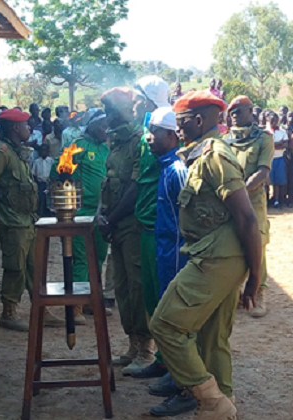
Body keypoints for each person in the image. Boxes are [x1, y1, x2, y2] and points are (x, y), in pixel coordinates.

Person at [149, 91, 261, 420]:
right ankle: (223, 405)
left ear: (198, 121)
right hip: (216, 254)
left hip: (217, 259)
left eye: (181, 122)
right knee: (212, 339)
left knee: (165, 325)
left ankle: (211, 400)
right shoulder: (200, 154)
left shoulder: (214, 155)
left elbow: (246, 217)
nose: (177, 129)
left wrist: (255, 276)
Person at [0, 109, 64, 332]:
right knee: (15, 267)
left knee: (34, 267)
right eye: (25, 125)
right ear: (15, 128)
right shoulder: (1, 153)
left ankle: (41, 309)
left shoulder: (18, 153)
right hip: (12, 222)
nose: (29, 128)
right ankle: (8, 312)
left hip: (27, 220)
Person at [142, 107, 195, 418]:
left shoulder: (177, 171)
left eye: (156, 132)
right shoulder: (165, 167)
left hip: (176, 255)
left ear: (173, 135)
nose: (150, 138)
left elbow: (188, 220)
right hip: (164, 253)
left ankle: (186, 387)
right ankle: (175, 375)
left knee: (178, 320)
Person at [96, 88, 153, 373]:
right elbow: (108, 184)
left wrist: (112, 217)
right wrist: (101, 214)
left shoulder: (139, 142)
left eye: (110, 111)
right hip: (116, 224)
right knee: (121, 288)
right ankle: (132, 344)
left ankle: (146, 349)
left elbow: (134, 188)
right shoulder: (116, 143)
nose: (107, 117)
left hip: (132, 226)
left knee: (137, 287)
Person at [129, 75, 171, 376]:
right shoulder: (146, 134)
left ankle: (171, 364)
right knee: (152, 298)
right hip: (145, 226)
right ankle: (160, 360)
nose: (132, 102)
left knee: (164, 299)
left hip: (161, 228)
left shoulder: (163, 134)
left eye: (137, 97)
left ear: (147, 100)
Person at [57, 108, 111, 320]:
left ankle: (91, 300)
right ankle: (75, 306)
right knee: (81, 258)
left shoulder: (106, 149)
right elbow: (58, 173)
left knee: (98, 258)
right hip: (80, 211)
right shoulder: (76, 146)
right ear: (91, 125)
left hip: (101, 212)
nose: (106, 129)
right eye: (103, 125)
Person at [225, 96, 273, 318]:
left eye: (239, 111)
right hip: (229, 202)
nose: (234, 116)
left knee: (257, 244)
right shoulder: (225, 140)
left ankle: (258, 292)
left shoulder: (264, 138)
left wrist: (241, 192)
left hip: (252, 200)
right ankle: (235, 292)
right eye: (231, 113)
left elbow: (263, 171)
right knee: (232, 242)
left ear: (250, 111)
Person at [31, 144, 53, 216]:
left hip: (49, 182)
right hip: (40, 183)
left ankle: (49, 212)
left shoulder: (51, 161)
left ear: (48, 151)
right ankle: (40, 212)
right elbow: (33, 173)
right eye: (42, 151)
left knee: (49, 198)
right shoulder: (36, 162)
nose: (43, 152)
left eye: (45, 151)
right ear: (39, 152)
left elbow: (53, 172)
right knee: (41, 197)